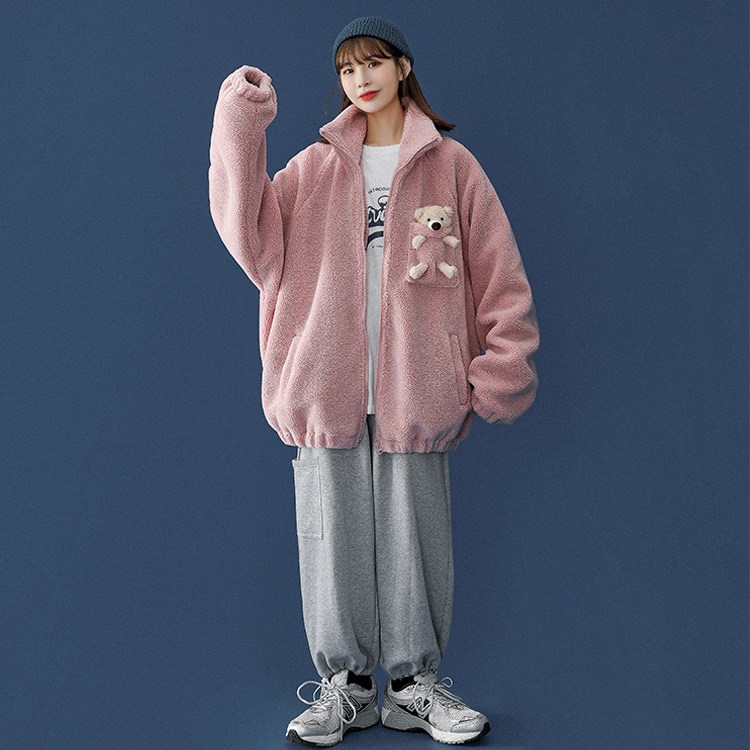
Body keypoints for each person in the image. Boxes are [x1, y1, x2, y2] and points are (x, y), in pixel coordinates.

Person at [208, 16, 539, 747]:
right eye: (347, 69)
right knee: (331, 544)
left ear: (403, 67)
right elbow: (250, 237)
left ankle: (414, 688)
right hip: (323, 390)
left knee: (415, 543)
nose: (360, 79)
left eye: (373, 64)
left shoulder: (452, 167)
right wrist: (241, 120)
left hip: (419, 394)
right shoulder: (311, 169)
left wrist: (498, 372)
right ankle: (347, 689)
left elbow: (500, 275)